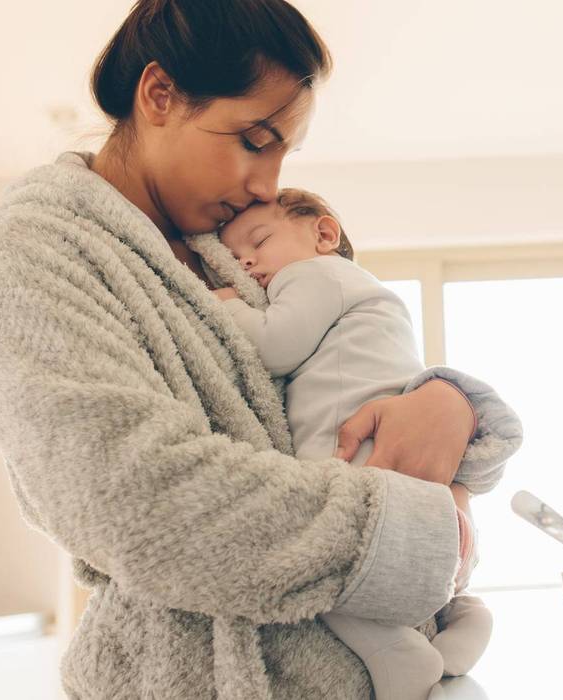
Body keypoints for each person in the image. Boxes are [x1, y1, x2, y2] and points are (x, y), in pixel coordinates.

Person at [0, 1, 522, 698]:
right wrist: (414, 529)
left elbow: (334, 373)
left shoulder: (221, 254)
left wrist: (445, 399)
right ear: (159, 94)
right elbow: (131, 499)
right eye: (254, 140)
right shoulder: (33, 253)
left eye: (283, 151)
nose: (269, 184)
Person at [209, 189, 495, 699]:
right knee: (430, 569)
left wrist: (225, 304)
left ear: (323, 234)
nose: (245, 261)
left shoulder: (319, 275)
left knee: (331, 568)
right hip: (403, 464)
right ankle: (468, 618)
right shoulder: (359, 296)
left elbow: (276, 346)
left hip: (357, 449)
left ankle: (394, 650)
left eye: (258, 241)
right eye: (233, 257)